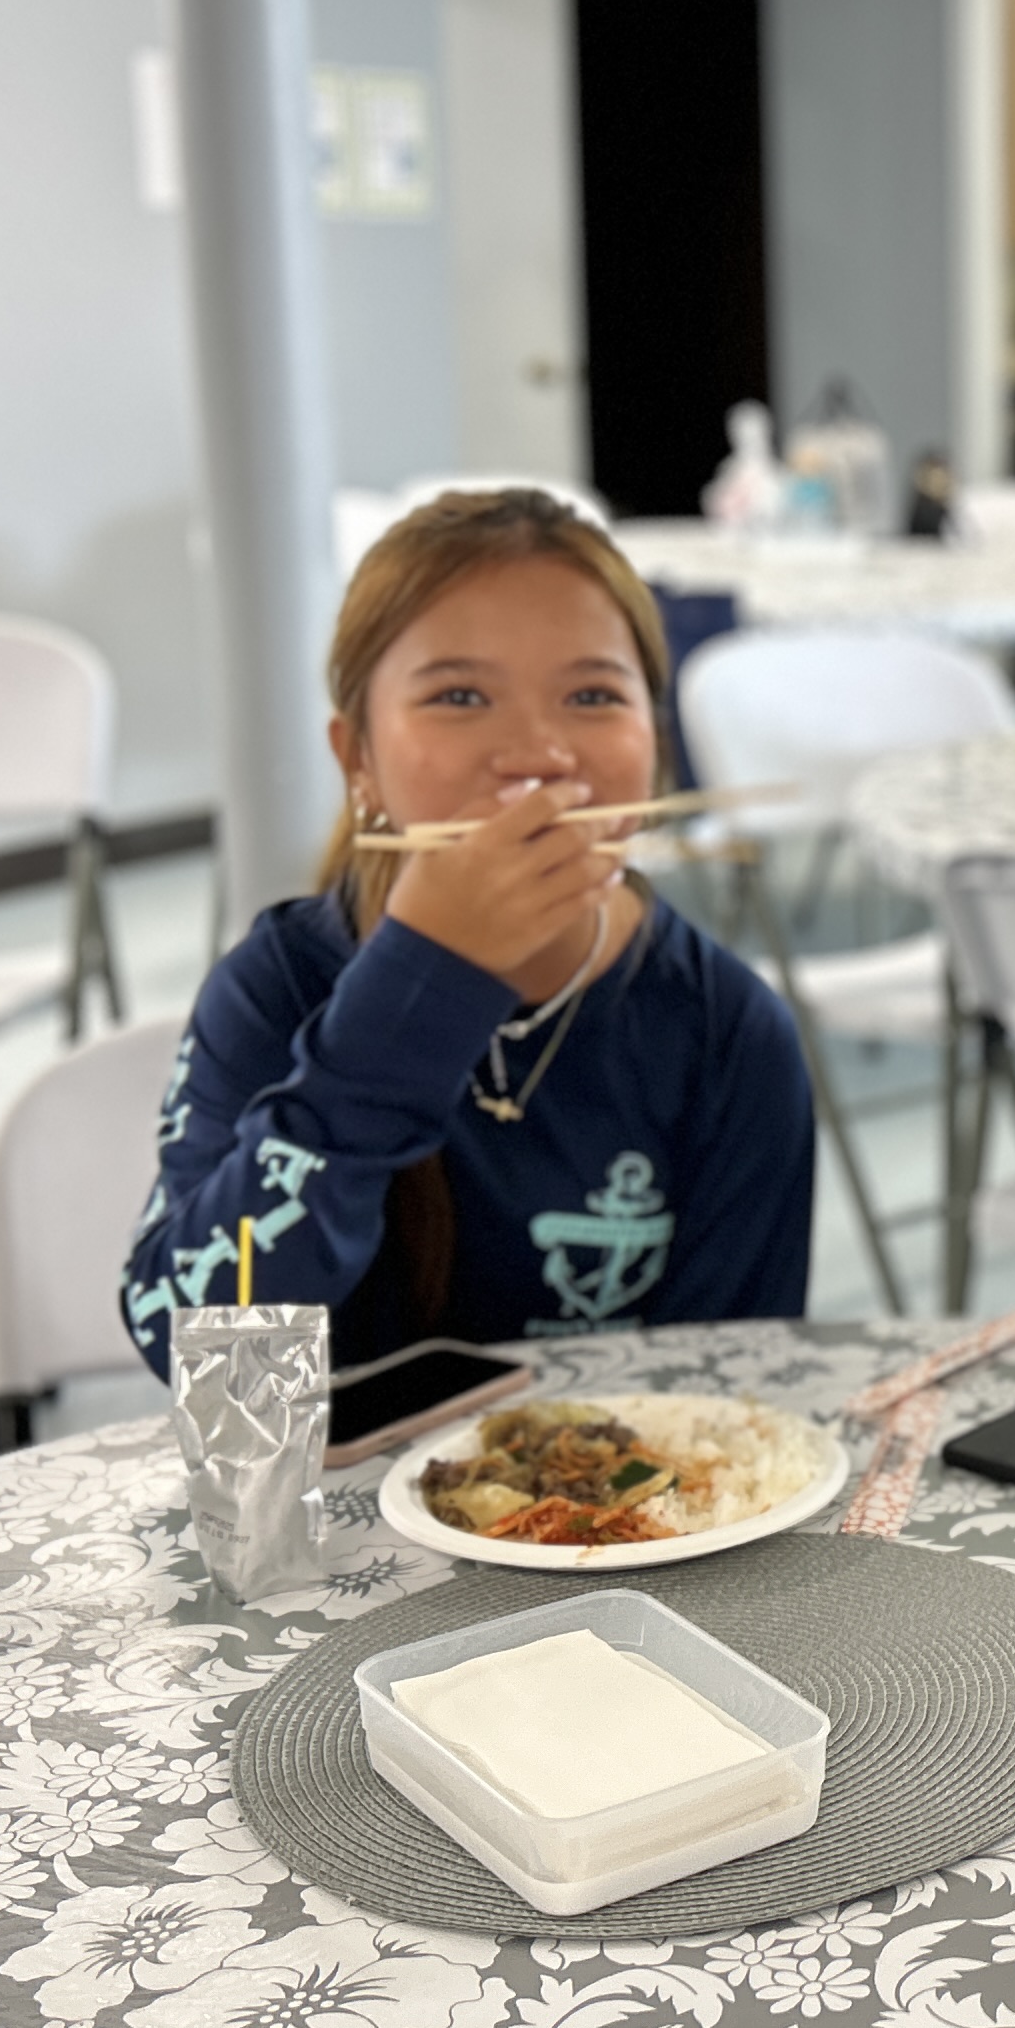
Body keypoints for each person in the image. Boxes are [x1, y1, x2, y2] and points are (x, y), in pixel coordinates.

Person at [124, 489, 817, 1372]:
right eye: (459, 695)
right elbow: (210, 1364)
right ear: (358, 758)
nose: (538, 755)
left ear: (656, 740)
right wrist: (421, 986)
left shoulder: (728, 1033)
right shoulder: (276, 990)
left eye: (593, 695)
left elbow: (733, 1394)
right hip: (335, 1465)